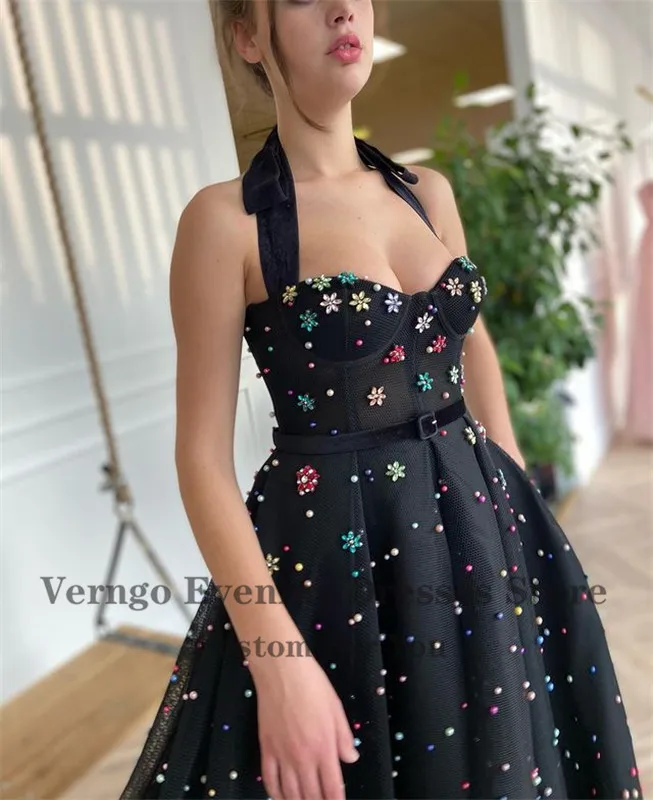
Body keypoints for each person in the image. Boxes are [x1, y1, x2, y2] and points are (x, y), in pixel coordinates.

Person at [120, 1, 642, 798]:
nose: (343, 8)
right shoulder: (226, 222)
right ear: (247, 36)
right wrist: (276, 658)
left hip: (484, 532)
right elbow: (200, 459)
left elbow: (473, 346)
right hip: (335, 564)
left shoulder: (426, 193)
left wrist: (514, 497)